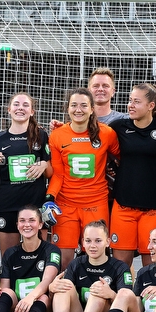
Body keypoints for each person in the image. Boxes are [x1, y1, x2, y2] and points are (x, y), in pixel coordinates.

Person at [45, 88, 120, 269]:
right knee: (64, 259)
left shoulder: (107, 133)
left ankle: (96, 294)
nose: (78, 109)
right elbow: (58, 173)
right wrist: (49, 197)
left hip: (96, 202)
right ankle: (66, 295)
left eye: (84, 105)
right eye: (74, 105)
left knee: (96, 255)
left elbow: (124, 157)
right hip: (66, 203)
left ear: (92, 109)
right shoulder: (57, 135)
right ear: (67, 108)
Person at [108, 83, 156, 267]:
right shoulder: (118, 127)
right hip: (123, 206)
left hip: (154, 207)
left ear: (151, 106)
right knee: (121, 265)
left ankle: (148, 296)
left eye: (136, 102)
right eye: (130, 100)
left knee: (152, 265)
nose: (130, 105)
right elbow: (92, 137)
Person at [45, 220, 136, 312]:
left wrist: (111, 294)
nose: (92, 245)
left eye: (98, 241)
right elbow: (63, 295)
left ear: (108, 242)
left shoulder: (120, 267)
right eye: (88, 241)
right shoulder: (76, 263)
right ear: (82, 242)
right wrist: (51, 287)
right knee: (64, 285)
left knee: (98, 289)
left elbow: (128, 301)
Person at [0, 92, 51, 253]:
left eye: (25, 105)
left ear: (32, 111)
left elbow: (50, 173)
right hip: (7, 204)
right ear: (9, 110)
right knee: (9, 259)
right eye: (16, 104)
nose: (20, 108)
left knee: (39, 258)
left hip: (35, 204)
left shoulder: (41, 136)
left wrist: (44, 164)